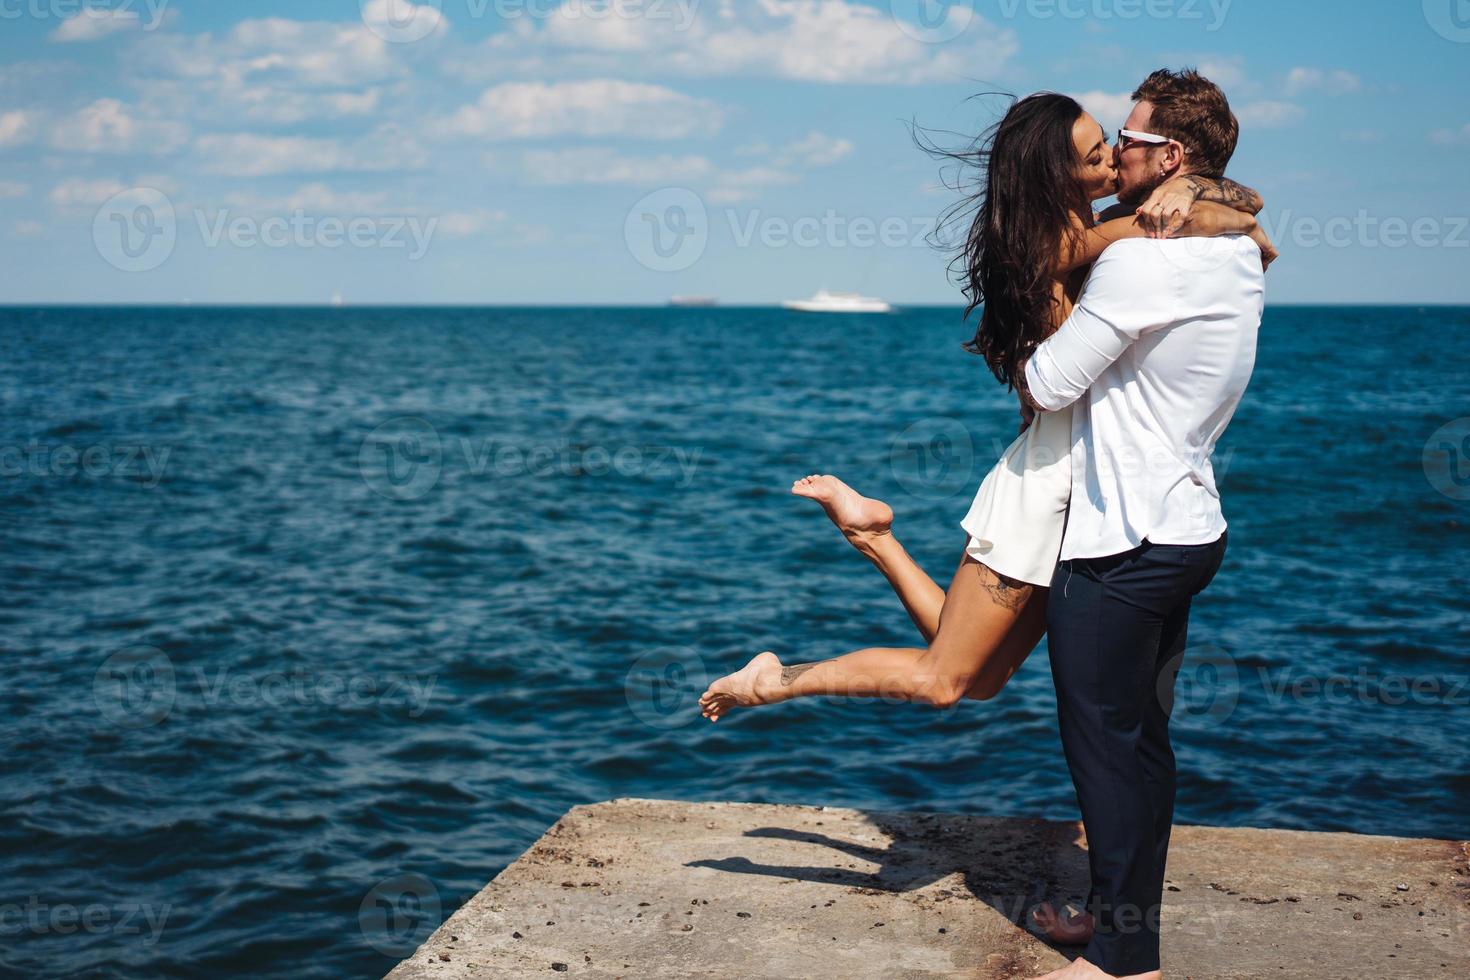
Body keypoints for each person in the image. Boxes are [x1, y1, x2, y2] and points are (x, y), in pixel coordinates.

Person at [698, 75, 1271, 970]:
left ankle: (876, 535)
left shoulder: (1103, 228)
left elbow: (1249, 225)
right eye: (1095, 150)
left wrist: (1203, 196)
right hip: (1045, 488)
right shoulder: (1061, 236)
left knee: (972, 676)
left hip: (1085, 496)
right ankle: (778, 676)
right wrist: (1193, 201)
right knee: (945, 682)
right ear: (1061, 173)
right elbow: (1235, 232)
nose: (1110, 155)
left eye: (1115, 143)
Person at [1018, 69, 1265, 980]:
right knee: (1141, 749)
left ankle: (1125, 960)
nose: (1115, 151)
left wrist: (1046, 284)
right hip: (1189, 527)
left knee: (1107, 755)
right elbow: (1248, 216)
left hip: (1124, 545)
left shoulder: (1144, 259)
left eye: (1128, 137)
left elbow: (1045, 384)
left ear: (1173, 156)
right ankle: (1119, 921)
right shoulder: (1234, 247)